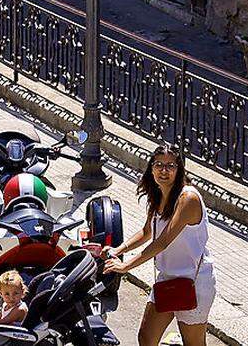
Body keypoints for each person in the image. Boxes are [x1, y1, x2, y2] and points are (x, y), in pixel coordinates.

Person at [102, 145, 216, 346]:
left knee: (194, 343)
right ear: (151, 168)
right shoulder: (158, 195)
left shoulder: (188, 198)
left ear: (179, 169)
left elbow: (162, 241)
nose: (164, 171)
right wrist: (119, 250)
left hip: (194, 282)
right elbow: (147, 232)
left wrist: (125, 266)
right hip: (167, 279)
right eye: (159, 165)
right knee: (146, 338)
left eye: (170, 166)